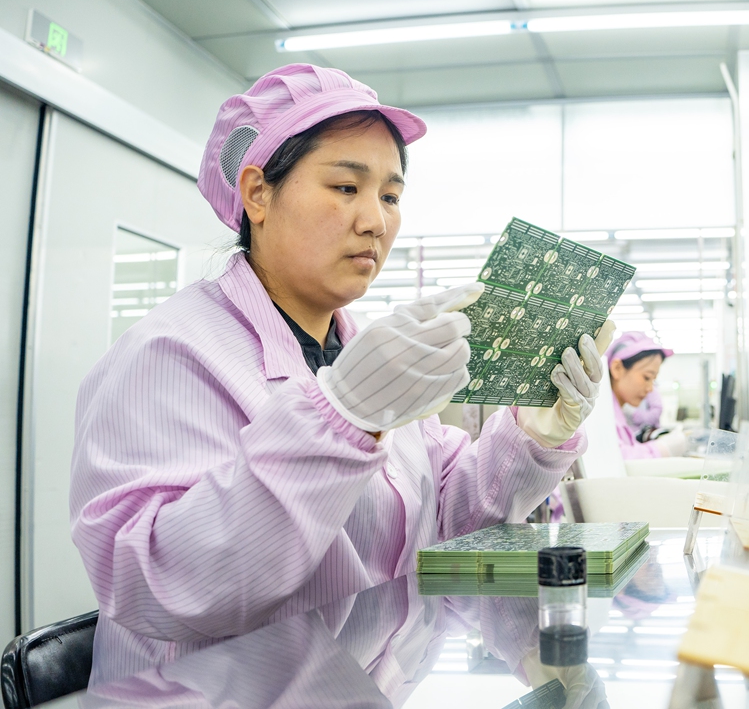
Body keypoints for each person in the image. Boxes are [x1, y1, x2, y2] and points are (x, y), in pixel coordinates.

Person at [68, 63, 614, 683]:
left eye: (390, 195)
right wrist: (340, 419)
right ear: (258, 194)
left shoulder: (357, 352)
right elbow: (156, 581)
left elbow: (451, 519)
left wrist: (531, 434)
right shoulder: (167, 355)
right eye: (346, 188)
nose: (376, 222)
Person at [606, 332, 688, 459]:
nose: (650, 389)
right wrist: (660, 449)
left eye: (653, 380)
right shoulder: (601, 413)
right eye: (647, 377)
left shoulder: (616, 413)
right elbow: (613, 459)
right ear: (617, 368)